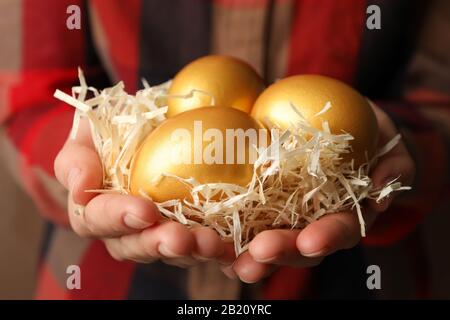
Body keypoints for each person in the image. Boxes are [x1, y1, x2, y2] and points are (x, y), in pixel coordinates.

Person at [0, 0, 448, 299]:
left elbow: (440, 95)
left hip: (359, 277)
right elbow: (28, 97)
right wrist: (86, 174)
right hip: (107, 285)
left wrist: (397, 146)